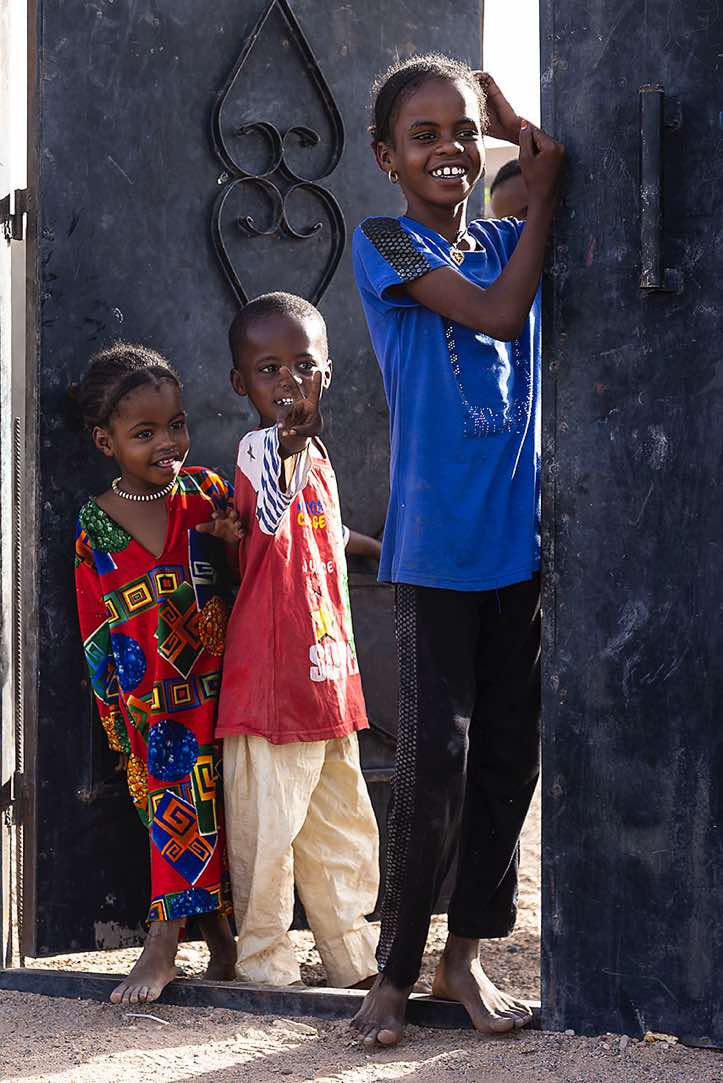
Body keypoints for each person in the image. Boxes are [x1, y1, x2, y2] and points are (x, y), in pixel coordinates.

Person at [350, 54, 565, 1045]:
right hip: (435, 553)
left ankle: (463, 960)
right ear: (387, 155)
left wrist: (517, 131)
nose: (445, 150)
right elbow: (497, 313)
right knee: (433, 762)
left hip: (514, 555)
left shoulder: (509, 234)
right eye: (422, 135)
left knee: (508, 758)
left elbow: (547, 175)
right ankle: (393, 970)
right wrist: (539, 190)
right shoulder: (385, 241)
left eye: (459, 132)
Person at [216, 292, 381, 989]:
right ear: (241, 383)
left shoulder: (317, 457)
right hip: (272, 679)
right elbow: (275, 513)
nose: (287, 383)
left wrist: (381, 549)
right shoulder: (260, 449)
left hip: (327, 671)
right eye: (269, 369)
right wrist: (287, 443)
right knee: (268, 835)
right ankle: (265, 966)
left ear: (327, 375)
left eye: (303, 368)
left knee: (340, 827)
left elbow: (328, 533)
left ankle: (351, 959)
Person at [73, 342, 241, 1005]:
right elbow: (95, 625)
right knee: (176, 807)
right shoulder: (97, 524)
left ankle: (199, 940)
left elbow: (257, 558)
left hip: (220, 681)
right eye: (144, 433)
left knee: (227, 807)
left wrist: (235, 539)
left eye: (176, 424)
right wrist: (114, 707)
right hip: (152, 702)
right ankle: (186, 940)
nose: (167, 443)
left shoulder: (204, 493)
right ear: (105, 440)